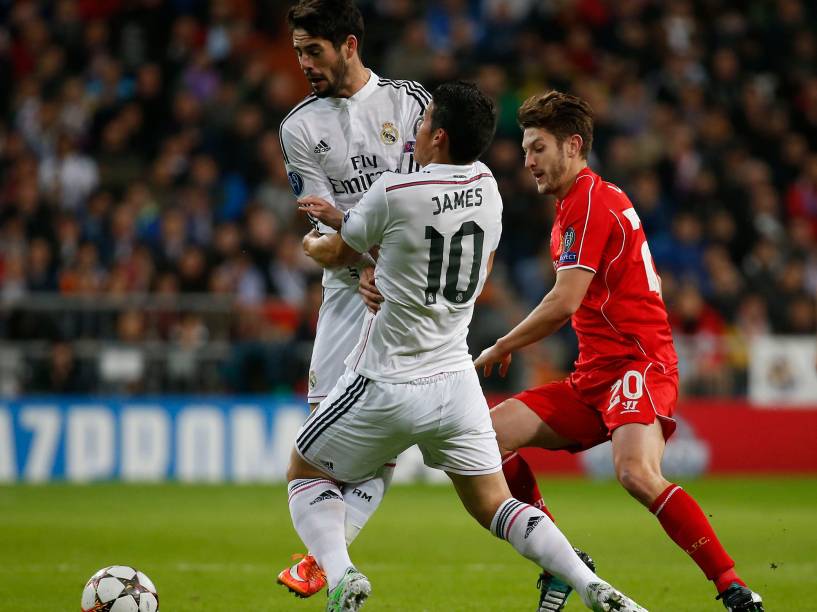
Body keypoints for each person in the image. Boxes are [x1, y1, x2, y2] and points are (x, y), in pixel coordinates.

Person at [286, 81, 647, 612]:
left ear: (438, 135)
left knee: (305, 470)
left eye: (425, 118)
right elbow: (462, 266)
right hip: (456, 385)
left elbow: (339, 251)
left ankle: (340, 575)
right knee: (497, 504)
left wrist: (312, 239)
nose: (418, 126)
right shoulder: (490, 190)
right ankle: (587, 580)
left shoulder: (393, 190)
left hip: (386, 378)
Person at [474, 90, 764, 612]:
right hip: (593, 375)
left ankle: (733, 587)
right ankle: (564, 562)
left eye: (538, 148)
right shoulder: (574, 205)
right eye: (525, 150)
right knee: (486, 438)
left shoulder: (589, 201)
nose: (527, 161)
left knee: (635, 472)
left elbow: (564, 303)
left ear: (573, 146)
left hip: (638, 364)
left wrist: (501, 343)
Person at [277, 0, 428, 597]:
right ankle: (331, 560)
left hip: (410, 292)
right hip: (345, 294)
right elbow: (318, 234)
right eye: (296, 52)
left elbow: (429, 199)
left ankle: (329, 563)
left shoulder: (409, 104)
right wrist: (359, 256)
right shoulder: (298, 127)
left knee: (382, 432)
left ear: (348, 44)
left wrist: (374, 256)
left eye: (312, 50)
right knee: (323, 430)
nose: (303, 63)